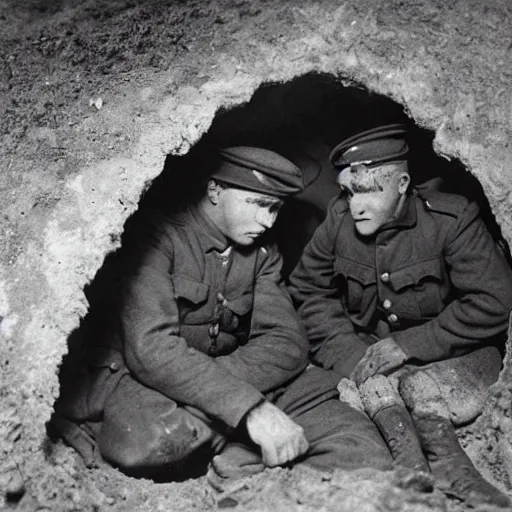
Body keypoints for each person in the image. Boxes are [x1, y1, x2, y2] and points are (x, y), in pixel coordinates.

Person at [51, 146, 392, 486]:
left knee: (357, 444)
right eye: (259, 204)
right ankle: (240, 449)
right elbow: (150, 348)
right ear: (215, 190)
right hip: (145, 380)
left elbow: (286, 342)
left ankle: (237, 454)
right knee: (154, 440)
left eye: (275, 208)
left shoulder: (263, 253)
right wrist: (248, 409)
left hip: (229, 379)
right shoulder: (157, 238)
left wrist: (231, 395)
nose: (268, 221)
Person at [288, 125, 512, 508]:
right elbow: (308, 291)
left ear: (403, 183)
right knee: (372, 390)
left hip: (453, 353)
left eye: (371, 190)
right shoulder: (339, 220)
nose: (357, 204)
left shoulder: (449, 219)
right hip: (369, 352)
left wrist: (409, 345)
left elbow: (494, 300)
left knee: (420, 388)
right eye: (350, 191)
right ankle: (411, 466)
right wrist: (350, 354)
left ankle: (450, 465)